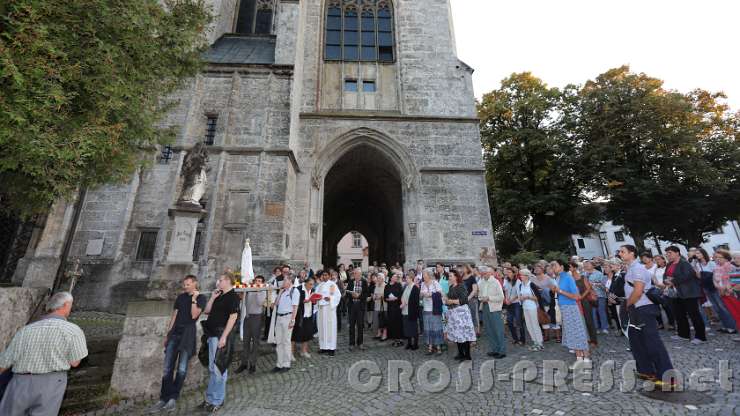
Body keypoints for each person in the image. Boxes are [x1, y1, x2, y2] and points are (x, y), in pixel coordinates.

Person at [0, 292, 87, 416]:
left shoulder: (26, 330)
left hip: (21, 382)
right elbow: (75, 362)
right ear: (66, 305)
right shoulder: (73, 330)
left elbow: (5, 361)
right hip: (52, 383)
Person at [148, 275, 207, 413]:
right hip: (175, 334)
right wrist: (168, 334)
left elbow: (194, 316)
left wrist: (193, 299)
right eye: (184, 284)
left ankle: (173, 398)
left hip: (188, 335)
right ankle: (164, 398)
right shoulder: (180, 297)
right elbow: (174, 316)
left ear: (194, 284)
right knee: (167, 368)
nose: (185, 286)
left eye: (187, 284)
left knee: (181, 369)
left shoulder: (201, 298)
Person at [619, 245, 675, 387]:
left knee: (652, 342)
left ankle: (667, 376)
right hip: (636, 309)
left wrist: (627, 305)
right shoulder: (631, 268)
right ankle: (646, 370)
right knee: (636, 340)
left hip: (643, 308)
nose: (620, 254)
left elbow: (638, 291)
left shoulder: (637, 268)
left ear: (632, 253)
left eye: (622, 251)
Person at [199, 275, 240, 412]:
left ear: (228, 281)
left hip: (220, 335)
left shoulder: (233, 297)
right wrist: (212, 297)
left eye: (221, 280)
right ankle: (209, 399)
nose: (218, 282)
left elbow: (233, 317)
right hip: (211, 334)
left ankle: (217, 400)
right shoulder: (219, 295)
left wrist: (224, 337)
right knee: (212, 369)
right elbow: (207, 311)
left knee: (219, 368)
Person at [552, 260, 590, 366]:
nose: (552, 267)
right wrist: (555, 290)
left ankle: (586, 356)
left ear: (561, 267)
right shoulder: (558, 278)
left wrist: (560, 291)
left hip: (571, 307)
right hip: (563, 307)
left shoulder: (568, 277)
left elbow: (576, 296)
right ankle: (578, 357)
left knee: (578, 331)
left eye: (555, 265)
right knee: (570, 332)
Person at [664, 246, 706, 343]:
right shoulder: (669, 264)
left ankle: (700, 336)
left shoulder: (684, 263)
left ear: (677, 253)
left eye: (670, 253)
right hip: (675, 294)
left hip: (688, 293)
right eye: (667, 253)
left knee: (694, 315)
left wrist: (672, 281)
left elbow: (687, 275)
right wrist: (665, 281)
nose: (667, 255)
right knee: (679, 315)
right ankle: (683, 334)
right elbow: (665, 275)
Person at [235, 275, 267, 375]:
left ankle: (253, 364)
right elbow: (242, 299)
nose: (257, 282)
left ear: (262, 283)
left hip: (256, 317)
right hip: (247, 317)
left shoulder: (262, 291)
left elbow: (259, 303)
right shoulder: (249, 289)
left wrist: (258, 291)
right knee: (245, 342)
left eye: (259, 281)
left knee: (255, 342)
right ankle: (244, 363)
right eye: (256, 280)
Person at [268, 276, 299, 372]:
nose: (283, 282)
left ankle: (286, 364)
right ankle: (279, 364)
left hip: (288, 317)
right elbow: (275, 305)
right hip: (279, 317)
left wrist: (293, 320)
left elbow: (295, 307)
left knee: (286, 341)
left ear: (290, 281)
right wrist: (280, 292)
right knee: (279, 341)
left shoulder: (294, 291)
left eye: (285, 280)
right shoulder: (283, 291)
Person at [444, 270, 476, 360]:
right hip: (453, 313)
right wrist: (447, 301)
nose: (449, 278)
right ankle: (461, 353)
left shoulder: (461, 286)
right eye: (449, 276)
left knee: (464, 334)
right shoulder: (451, 287)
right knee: (457, 333)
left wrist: (452, 301)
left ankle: (467, 355)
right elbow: (449, 299)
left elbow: (464, 300)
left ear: (456, 277)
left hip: (461, 313)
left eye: (450, 276)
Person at [478, 266, 506, 358]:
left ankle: (502, 351)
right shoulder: (481, 282)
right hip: (485, 307)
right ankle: (494, 349)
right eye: (482, 273)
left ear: (490, 273)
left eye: (485, 273)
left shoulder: (495, 282)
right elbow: (479, 295)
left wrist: (489, 298)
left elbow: (501, 297)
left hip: (494, 308)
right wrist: (482, 298)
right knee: (489, 330)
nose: (484, 275)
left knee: (498, 330)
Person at [572, 262, 598, 347]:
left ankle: (593, 340)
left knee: (589, 320)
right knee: (580, 322)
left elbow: (588, 288)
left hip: (585, 301)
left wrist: (581, 297)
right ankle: (585, 339)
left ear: (575, 268)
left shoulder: (583, 277)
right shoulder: (570, 279)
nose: (569, 269)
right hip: (576, 302)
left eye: (570, 267)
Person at [712, 250, 739, 332]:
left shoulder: (731, 267)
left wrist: (725, 288)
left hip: (730, 292)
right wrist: (718, 287)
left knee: (737, 310)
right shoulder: (716, 267)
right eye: (716, 257)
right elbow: (714, 279)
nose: (717, 259)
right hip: (722, 292)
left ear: (726, 258)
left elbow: (731, 280)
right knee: (733, 312)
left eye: (720, 257)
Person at [316, 270, 341, 356]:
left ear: (329, 276)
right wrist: (316, 298)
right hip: (321, 309)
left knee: (330, 328)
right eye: (323, 275)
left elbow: (338, 296)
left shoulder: (332, 284)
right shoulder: (320, 285)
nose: (324, 276)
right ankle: (323, 347)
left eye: (326, 275)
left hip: (329, 308)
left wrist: (330, 299)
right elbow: (316, 295)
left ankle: (331, 348)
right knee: (322, 328)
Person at [292, 277, 318, 358]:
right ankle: (290, 353)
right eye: (310, 284)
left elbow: (313, 302)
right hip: (299, 316)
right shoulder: (298, 289)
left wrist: (314, 300)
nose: (312, 286)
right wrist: (304, 301)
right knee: (295, 335)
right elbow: (294, 302)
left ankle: (303, 351)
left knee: (307, 334)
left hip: (309, 315)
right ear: (305, 283)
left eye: (313, 284)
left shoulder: (312, 290)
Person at [419, 270, 444, 354]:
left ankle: (438, 347)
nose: (423, 276)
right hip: (426, 309)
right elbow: (420, 295)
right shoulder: (422, 284)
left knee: (436, 328)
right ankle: (430, 347)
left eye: (425, 275)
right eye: (423, 275)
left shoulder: (435, 283)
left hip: (435, 309)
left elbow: (441, 293)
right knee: (427, 329)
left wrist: (431, 294)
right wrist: (422, 295)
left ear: (429, 275)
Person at [519, 269, 544, 351]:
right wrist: (521, 298)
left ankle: (540, 343)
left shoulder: (531, 284)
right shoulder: (521, 285)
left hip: (533, 307)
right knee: (529, 326)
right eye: (520, 275)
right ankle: (535, 342)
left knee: (535, 325)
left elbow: (538, 298)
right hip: (525, 307)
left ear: (527, 276)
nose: (520, 276)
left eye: (522, 275)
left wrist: (528, 297)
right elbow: (520, 296)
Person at [346, 268, 370, 351]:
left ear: (361, 275)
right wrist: (352, 295)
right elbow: (347, 292)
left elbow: (367, 293)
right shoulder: (351, 282)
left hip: (360, 306)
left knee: (360, 325)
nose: (357, 275)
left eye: (358, 274)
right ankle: (351, 344)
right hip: (352, 305)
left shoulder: (364, 282)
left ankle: (360, 343)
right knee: (351, 326)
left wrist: (359, 296)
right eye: (355, 274)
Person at [584, 261, 609, 335]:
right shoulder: (584, 274)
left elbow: (604, 285)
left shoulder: (599, 274)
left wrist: (595, 284)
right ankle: (596, 328)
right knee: (593, 313)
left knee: (601, 311)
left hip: (600, 295)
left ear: (593, 265)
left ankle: (604, 327)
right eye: (585, 265)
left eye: (588, 264)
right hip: (589, 296)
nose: (586, 266)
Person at [503, 267, 525, 346]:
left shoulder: (518, 281)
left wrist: (511, 300)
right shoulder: (506, 281)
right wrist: (506, 299)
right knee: (509, 321)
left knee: (519, 322)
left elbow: (518, 294)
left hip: (516, 303)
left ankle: (522, 339)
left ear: (513, 273)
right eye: (507, 272)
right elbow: (505, 291)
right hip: (509, 303)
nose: (507, 273)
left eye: (509, 272)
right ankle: (515, 338)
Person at [400, 272, 421, 350]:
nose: (406, 279)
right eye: (406, 278)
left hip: (412, 312)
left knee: (413, 329)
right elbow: (403, 297)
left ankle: (415, 344)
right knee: (407, 328)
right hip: (405, 310)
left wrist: (406, 303)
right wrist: (402, 303)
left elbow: (416, 301)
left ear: (411, 278)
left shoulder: (415, 288)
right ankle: (409, 343)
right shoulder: (406, 287)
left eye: (407, 278)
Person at [384, 273, 404, 347]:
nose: (395, 278)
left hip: (397, 307)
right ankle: (395, 339)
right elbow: (385, 297)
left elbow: (401, 295)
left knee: (398, 323)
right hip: (390, 307)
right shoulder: (387, 286)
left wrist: (396, 298)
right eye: (394, 277)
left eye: (396, 277)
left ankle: (399, 339)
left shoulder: (398, 285)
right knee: (391, 322)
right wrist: (388, 299)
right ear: (391, 278)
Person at [462, 264, 480, 336]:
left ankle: (475, 333)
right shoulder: (461, 277)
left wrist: (468, 298)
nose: (462, 269)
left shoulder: (472, 277)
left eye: (463, 267)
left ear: (467, 269)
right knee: (465, 317)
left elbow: (474, 289)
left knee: (473, 317)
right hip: (463, 301)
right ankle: (468, 333)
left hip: (471, 300)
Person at [372, 273, 387, 340]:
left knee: (384, 320)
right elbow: (374, 294)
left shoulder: (386, 286)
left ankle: (384, 334)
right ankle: (379, 333)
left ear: (383, 279)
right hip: (377, 305)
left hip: (384, 306)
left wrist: (381, 296)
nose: (378, 279)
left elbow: (386, 295)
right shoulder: (376, 285)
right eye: (377, 278)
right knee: (377, 320)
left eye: (379, 278)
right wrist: (374, 297)